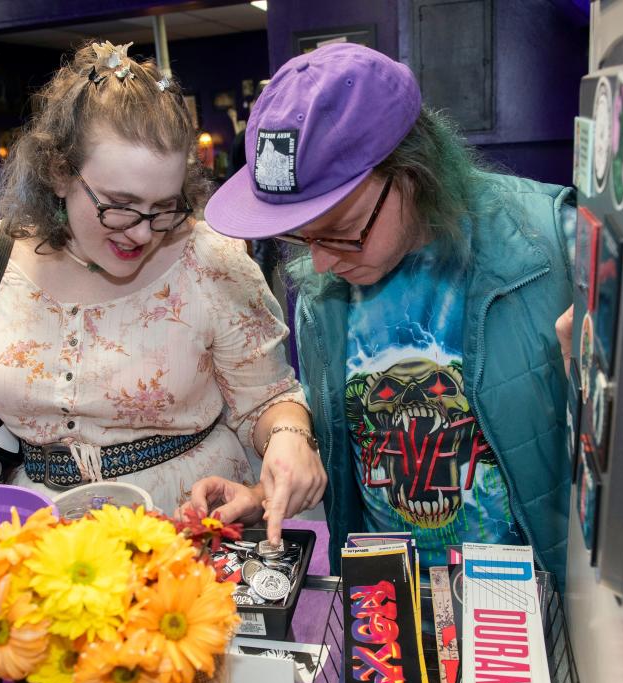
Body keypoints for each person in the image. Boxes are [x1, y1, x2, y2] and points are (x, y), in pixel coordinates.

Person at [0, 41, 326, 541]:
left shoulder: (211, 261)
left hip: (187, 527)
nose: (143, 232)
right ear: (59, 173)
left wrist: (290, 436)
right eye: (119, 205)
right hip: (34, 536)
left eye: (165, 207)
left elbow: (266, 399)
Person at [193, 43, 574, 582]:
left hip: (527, 614)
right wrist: (269, 490)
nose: (321, 260)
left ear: (412, 173)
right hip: (388, 613)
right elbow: (366, 435)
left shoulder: (552, 247)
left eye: (342, 232)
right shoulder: (325, 286)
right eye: (303, 238)